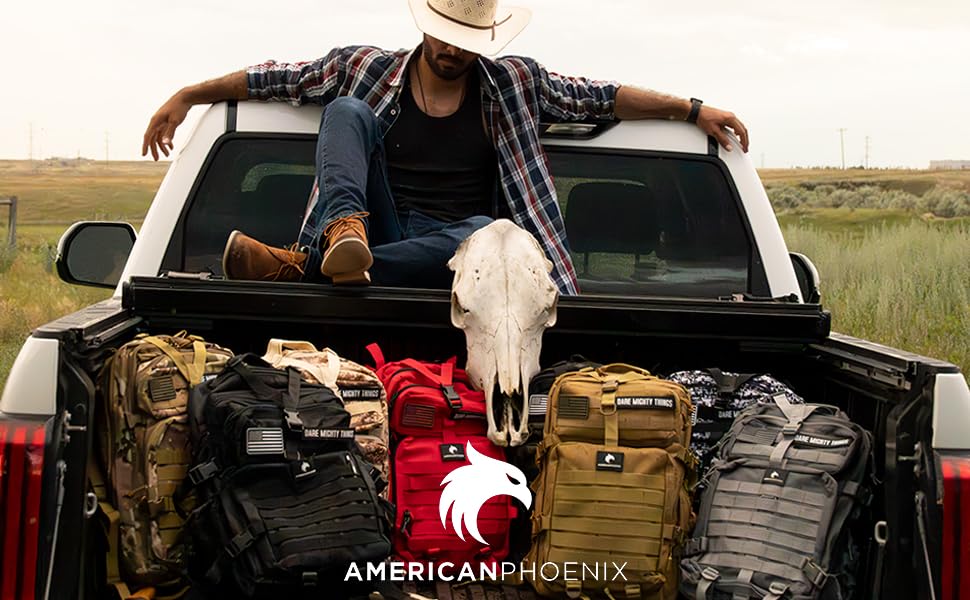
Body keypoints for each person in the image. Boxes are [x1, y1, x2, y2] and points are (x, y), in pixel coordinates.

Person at [143, 0, 749, 293]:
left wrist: (690, 109)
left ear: (483, 41)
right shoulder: (365, 68)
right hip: (368, 225)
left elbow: (601, 96)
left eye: (464, 40)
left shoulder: (513, 84)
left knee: (489, 231)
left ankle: (304, 270)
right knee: (347, 110)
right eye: (444, 35)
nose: (451, 50)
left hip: (460, 261)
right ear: (425, 23)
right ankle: (341, 236)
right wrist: (188, 94)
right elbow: (273, 77)